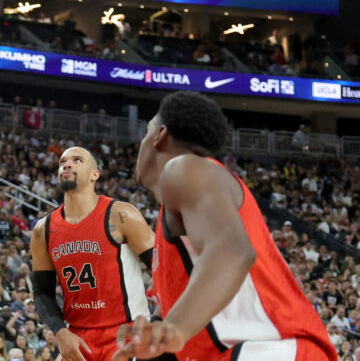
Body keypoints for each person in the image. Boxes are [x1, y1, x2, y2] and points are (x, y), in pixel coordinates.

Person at [114, 91, 336, 360]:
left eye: (146, 131)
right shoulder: (176, 226)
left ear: (159, 135)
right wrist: (153, 338)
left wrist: (174, 328)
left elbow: (232, 251)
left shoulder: (184, 168)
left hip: (274, 348)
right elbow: (172, 335)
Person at [30, 147, 156, 361]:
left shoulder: (121, 215)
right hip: (77, 338)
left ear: (94, 174)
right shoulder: (43, 229)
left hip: (127, 332)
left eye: (77, 160)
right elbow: (42, 293)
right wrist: (60, 333)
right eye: (62, 162)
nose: (66, 165)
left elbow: (162, 267)